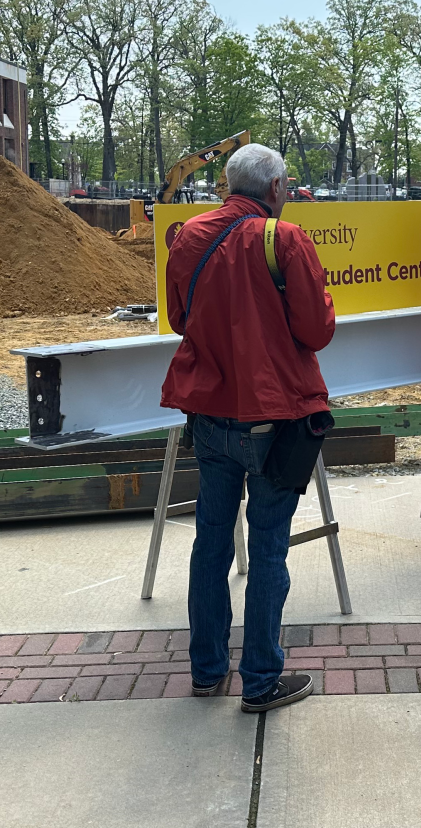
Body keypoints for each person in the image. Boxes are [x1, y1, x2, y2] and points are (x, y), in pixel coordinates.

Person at [161, 143, 334, 713]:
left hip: (209, 415)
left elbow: (181, 320)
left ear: (228, 185)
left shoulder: (188, 238)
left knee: (210, 542)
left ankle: (207, 672)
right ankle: (260, 681)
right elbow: (316, 329)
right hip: (273, 418)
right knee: (268, 550)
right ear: (278, 189)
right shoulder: (282, 239)